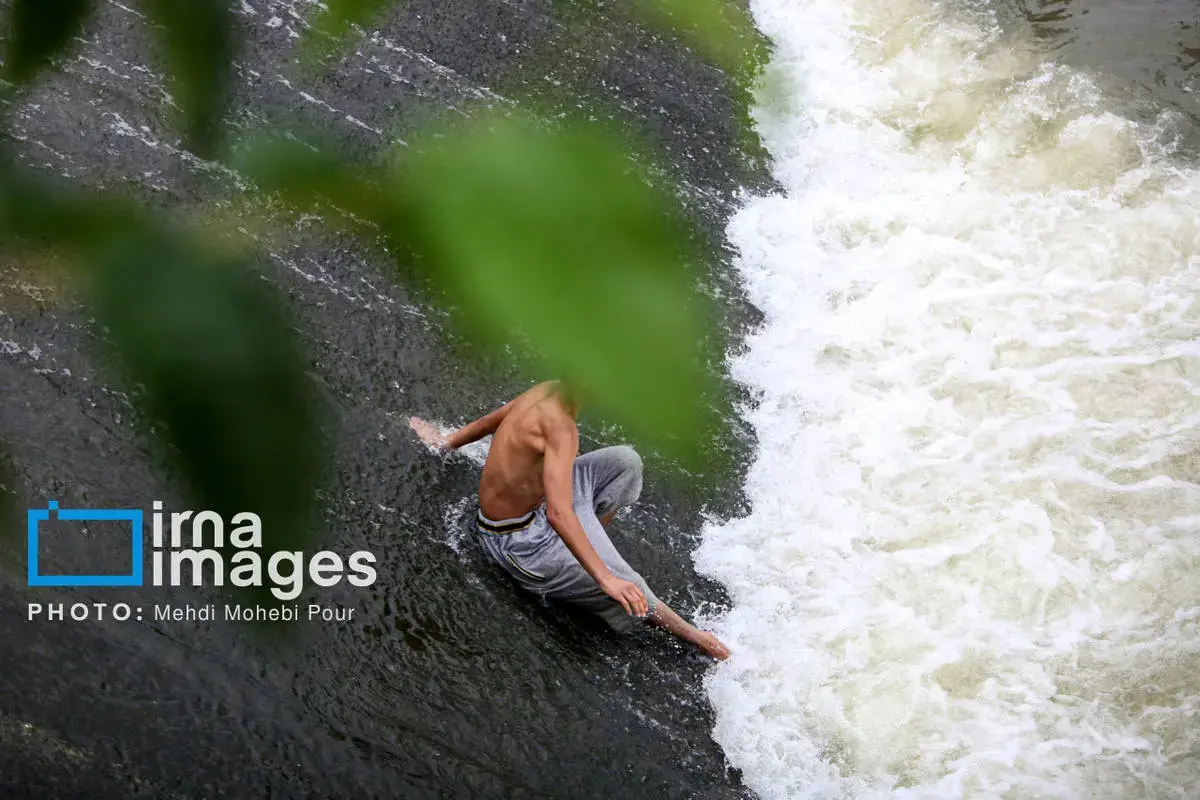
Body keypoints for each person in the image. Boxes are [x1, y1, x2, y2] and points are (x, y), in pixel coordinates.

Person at [410, 380, 730, 660]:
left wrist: (445, 442)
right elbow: (558, 513)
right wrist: (606, 578)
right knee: (632, 587)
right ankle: (700, 640)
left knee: (625, 462)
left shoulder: (547, 388)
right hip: (517, 541)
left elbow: (487, 423)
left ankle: (584, 549)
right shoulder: (561, 429)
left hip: (541, 505)